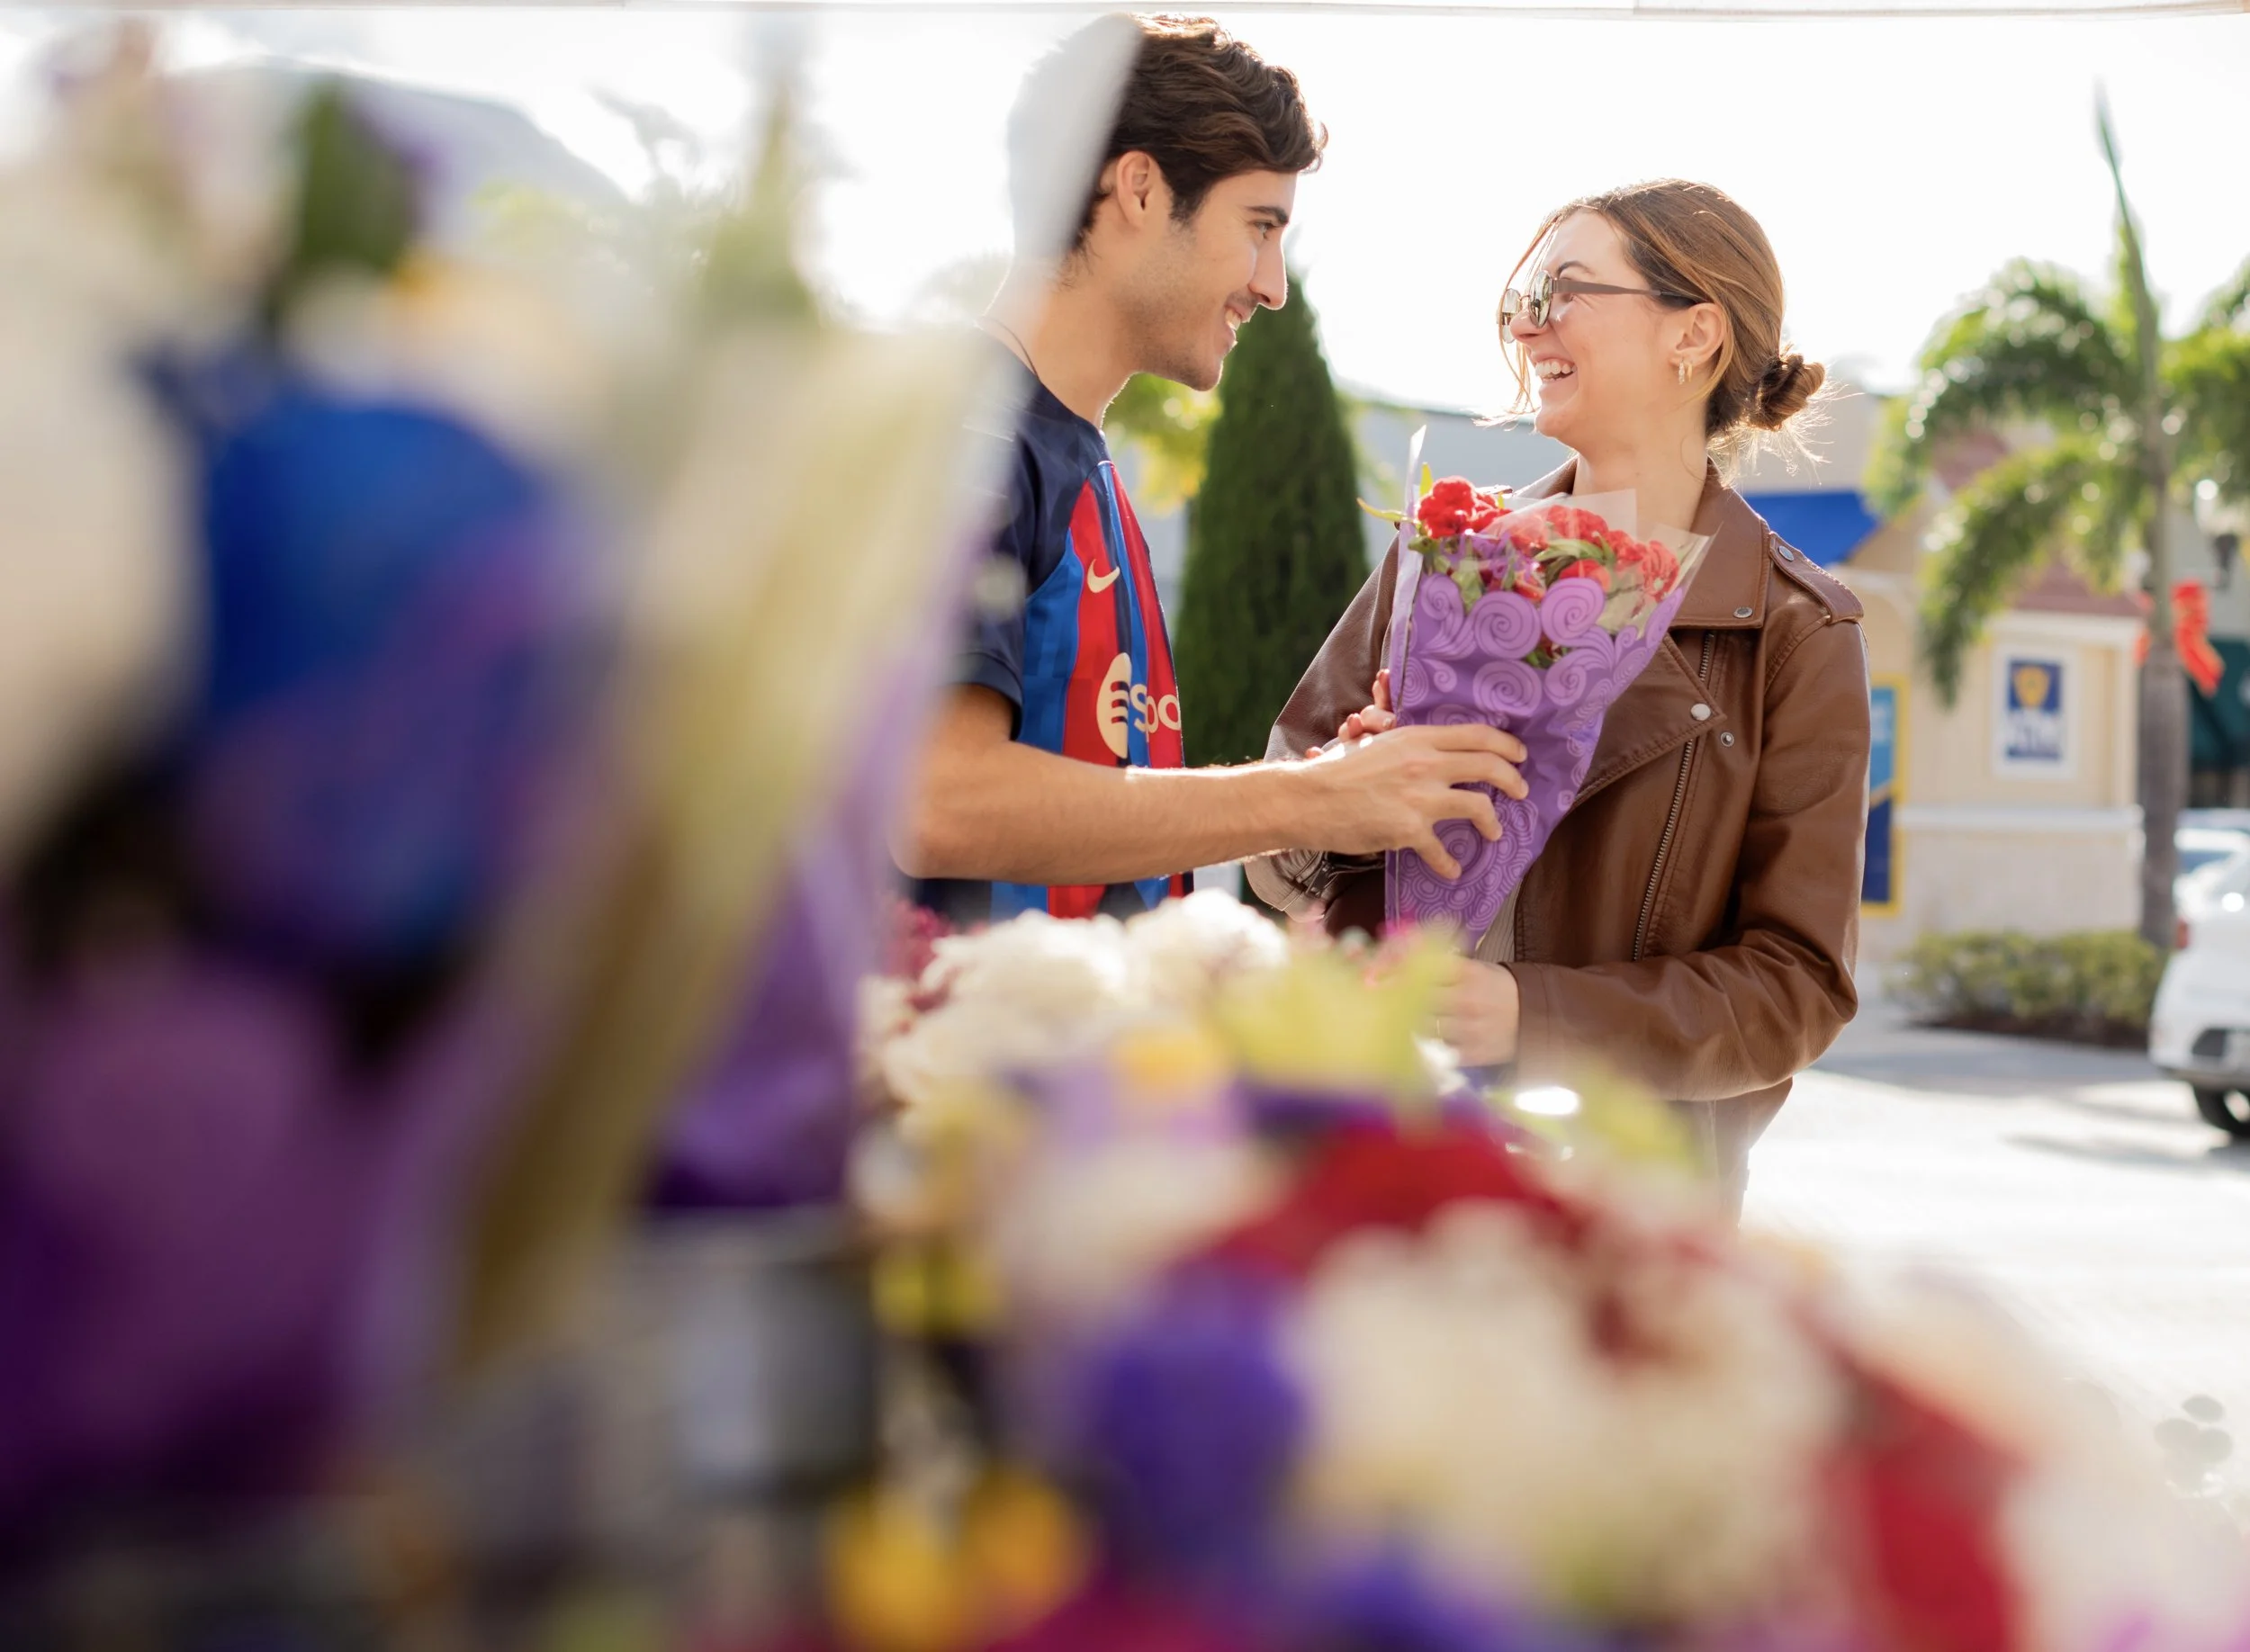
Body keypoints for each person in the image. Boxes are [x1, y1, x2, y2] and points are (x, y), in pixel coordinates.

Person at [1248, 181, 1872, 1214]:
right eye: (1522, 298)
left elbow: (1794, 991)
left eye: (1563, 289)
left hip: (1626, 1210)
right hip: (1376, 1150)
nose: (1526, 322)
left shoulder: (1794, 630)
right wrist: (1342, 795)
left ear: (1695, 335)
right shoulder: (1442, 556)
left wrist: (1528, 1016)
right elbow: (1274, 850)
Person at [896, 14, 1528, 924]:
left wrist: (1329, 785)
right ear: (1141, 189)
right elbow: (936, 803)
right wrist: (1305, 800)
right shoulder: (967, 435)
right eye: (1258, 226)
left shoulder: (1071, 458)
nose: (1272, 285)